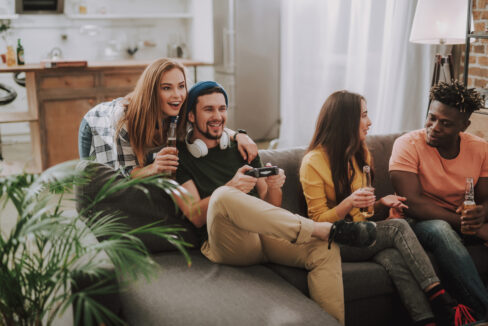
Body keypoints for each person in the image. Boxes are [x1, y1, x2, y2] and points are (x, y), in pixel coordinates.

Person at [174, 81, 378, 326]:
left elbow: (272, 208)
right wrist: (232, 187)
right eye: (209, 110)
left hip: (264, 237)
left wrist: (273, 187)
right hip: (228, 244)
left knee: (325, 249)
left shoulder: (243, 149)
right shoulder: (179, 158)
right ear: (191, 116)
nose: (218, 116)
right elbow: (195, 215)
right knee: (223, 196)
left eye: (222, 108)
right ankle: (321, 229)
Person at [299, 90, 480, 326]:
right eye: (363, 115)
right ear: (344, 120)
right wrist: (348, 203)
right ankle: (440, 297)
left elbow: (363, 213)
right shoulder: (312, 162)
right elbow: (317, 220)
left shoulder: (360, 154)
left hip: (361, 233)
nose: (370, 121)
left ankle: (426, 320)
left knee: (393, 258)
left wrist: (381, 205)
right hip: (332, 240)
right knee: (397, 228)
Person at [389, 81, 488, 322]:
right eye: (431, 118)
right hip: (418, 223)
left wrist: (482, 214)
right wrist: (471, 226)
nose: (434, 127)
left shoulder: (480, 149)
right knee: (441, 229)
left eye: (445, 123)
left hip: (462, 221)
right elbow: (412, 202)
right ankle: (483, 314)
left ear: (464, 126)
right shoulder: (407, 144)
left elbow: (486, 197)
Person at [78, 57, 258, 177]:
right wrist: (153, 167)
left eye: (181, 86)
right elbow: (126, 171)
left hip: (146, 127)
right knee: (104, 184)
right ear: (152, 92)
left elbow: (210, 121)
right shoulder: (124, 119)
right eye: (166, 88)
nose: (177, 95)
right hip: (96, 126)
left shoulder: (182, 103)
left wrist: (239, 135)